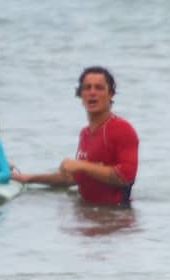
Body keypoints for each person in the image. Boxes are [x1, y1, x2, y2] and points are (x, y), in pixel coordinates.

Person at [12, 66, 138, 205]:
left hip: (115, 216)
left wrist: (82, 165)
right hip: (88, 213)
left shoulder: (122, 129)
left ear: (111, 94)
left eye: (99, 88)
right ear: (80, 95)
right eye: (87, 88)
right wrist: (30, 178)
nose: (92, 92)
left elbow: (125, 177)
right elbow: (75, 178)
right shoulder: (85, 133)